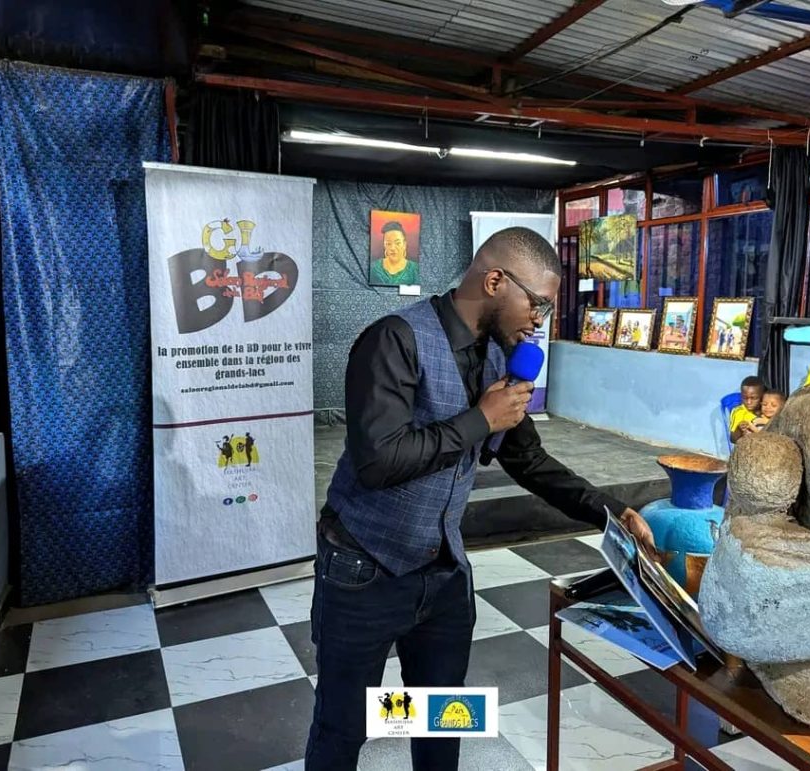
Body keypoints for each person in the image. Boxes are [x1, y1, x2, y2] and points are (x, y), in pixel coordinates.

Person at [306, 227, 659, 771]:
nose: (539, 320)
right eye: (537, 303)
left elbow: (529, 459)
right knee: (343, 725)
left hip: (444, 573)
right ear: (494, 281)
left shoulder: (500, 356)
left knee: (441, 719)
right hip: (363, 569)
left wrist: (610, 512)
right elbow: (378, 462)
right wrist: (480, 419)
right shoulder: (393, 340)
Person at [370, 221, 420, 286]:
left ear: (404, 244)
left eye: (397, 243)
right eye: (388, 243)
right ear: (384, 245)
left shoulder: (415, 269)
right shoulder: (373, 268)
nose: (392, 248)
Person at [729, 376, 765, 443]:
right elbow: (732, 439)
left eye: (753, 398)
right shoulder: (738, 412)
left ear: (762, 396)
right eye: (745, 398)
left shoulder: (768, 409)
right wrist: (739, 429)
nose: (749, 402)